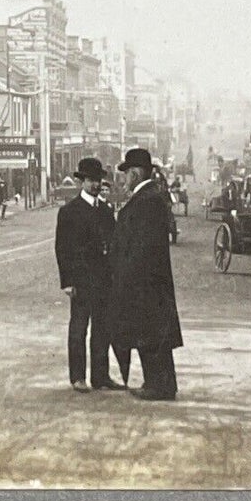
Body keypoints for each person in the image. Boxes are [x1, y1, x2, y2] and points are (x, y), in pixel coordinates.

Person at [108, 147, 182, 400]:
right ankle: (161, 383)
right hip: (151, 282)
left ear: (136, 174)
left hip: (144, 283)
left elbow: (142, 247)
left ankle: (157, 385)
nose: (124, 180)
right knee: (153, 334)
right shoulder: (151, 197)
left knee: (150, 334)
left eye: (127, 174)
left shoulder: (146, 201)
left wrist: (126, 276)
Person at [54, 158, 125, 392]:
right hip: (81, 281)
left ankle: (100, 376)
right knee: (78, 329)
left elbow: (113, 244)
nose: (96, 185)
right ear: (82, 181)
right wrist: (67, 282)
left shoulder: (105, 210)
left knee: (102, 329)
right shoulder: (69, 211)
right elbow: (62, 249)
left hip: (103, 280)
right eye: (92, 180)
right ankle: (78, 377)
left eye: (99, 181)